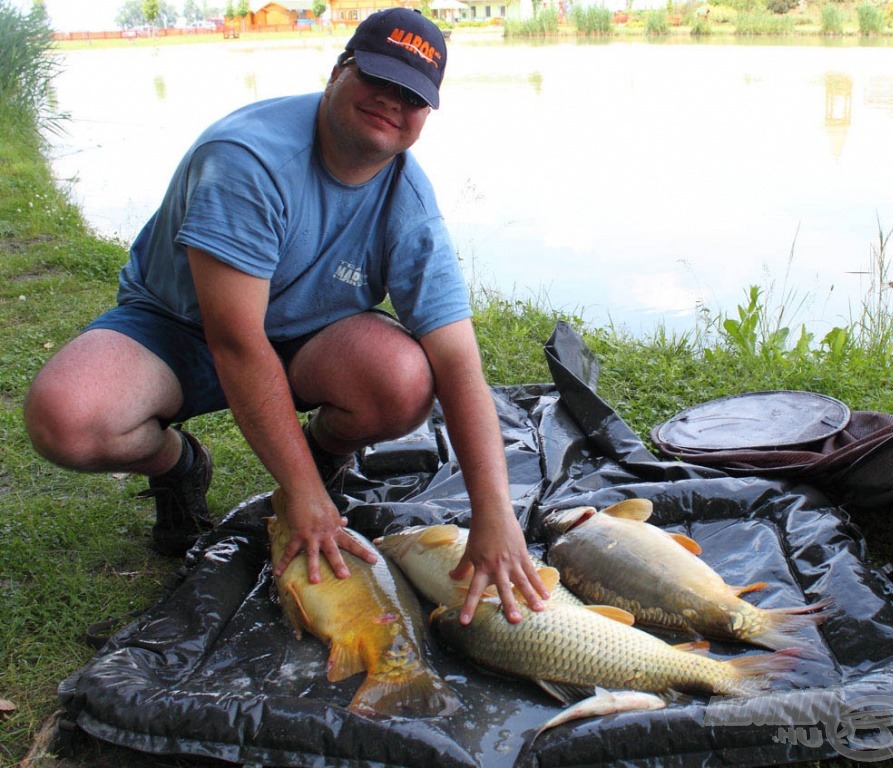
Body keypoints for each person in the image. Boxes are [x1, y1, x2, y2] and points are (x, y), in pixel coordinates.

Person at [23, 8, 548, 626]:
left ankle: (318, 463)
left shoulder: (408, 201)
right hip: (179, 328)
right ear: (337, 71)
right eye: (377, 78)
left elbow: (460, 363)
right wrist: (298, 495)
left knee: (405, 378)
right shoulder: (248, 159)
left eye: (412, 96)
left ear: (426, 114)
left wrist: (495, 513)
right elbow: (236, 342)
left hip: (307, 337)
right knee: (66, 420)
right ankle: (180, 467)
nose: (391, 103)